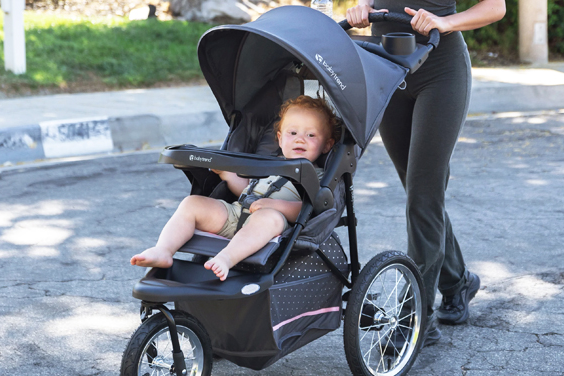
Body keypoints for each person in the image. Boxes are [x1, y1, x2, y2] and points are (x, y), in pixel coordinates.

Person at [346, 0, 505, 344]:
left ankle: (416, 315)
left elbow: (496, 7)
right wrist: (361, 5)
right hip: (386, 65)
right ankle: (457, 281)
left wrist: (446, 22)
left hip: (440, 71)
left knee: (423, 195)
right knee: (421, 193)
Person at [130, 96, 339, 280]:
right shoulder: (270, 164)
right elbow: (248, 189)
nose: (300, 139)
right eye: (292, 132)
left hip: (273, 227)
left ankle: (226, 258)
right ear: (280, 138)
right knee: (192, 204)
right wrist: (227, 175)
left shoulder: (317, 175)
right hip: (237, 213)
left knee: (269, 217)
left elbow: (309, 209)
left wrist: (275, 205)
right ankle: (164, 250)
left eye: (311, 135)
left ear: (327, 145)